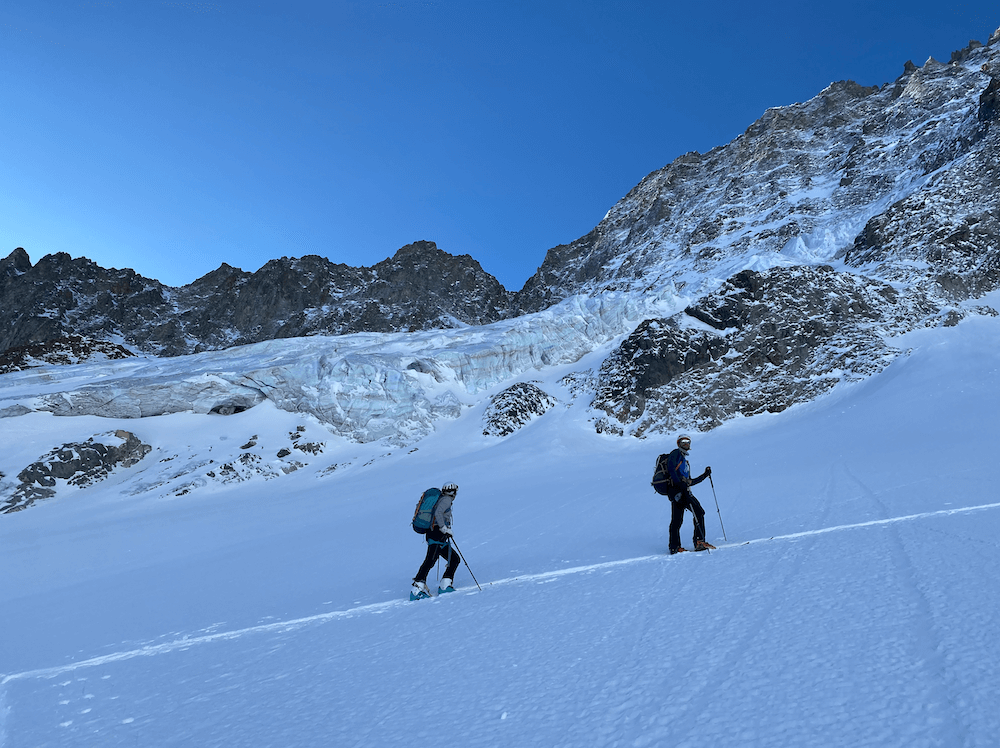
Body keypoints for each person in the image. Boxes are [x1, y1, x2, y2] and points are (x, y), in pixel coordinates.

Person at [658, 435, 715, 554]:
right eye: (683, 442)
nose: (686, 444)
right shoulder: (675, 453)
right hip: (678, 491)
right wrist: (680, 484)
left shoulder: (685, 461)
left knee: (678, 520)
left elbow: (690, 481)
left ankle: (675, 547)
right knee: (698, 512)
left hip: (681, 491)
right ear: (678, 443)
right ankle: (698, 542)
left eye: (688, 442)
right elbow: (671, 469)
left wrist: (705, 475)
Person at [411, 483, 461, 600]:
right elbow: (438, 513)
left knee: (454, 559)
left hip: (436, 534)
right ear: (453, 492)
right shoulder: (446, 500)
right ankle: (416, 590)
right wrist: (444, 528)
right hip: (437, 534)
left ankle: (445, 585)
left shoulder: (442, 499)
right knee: (430, 560)